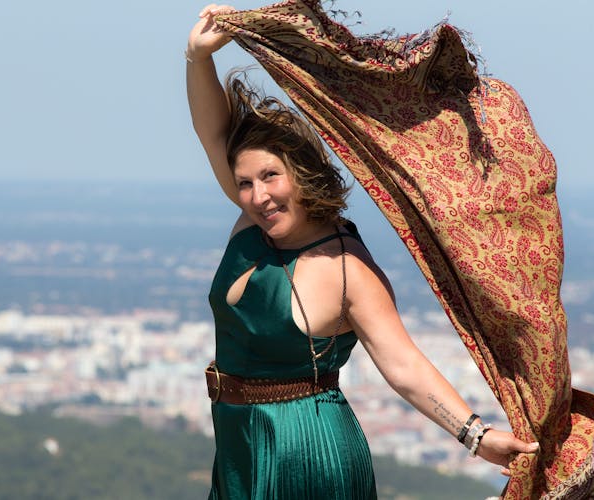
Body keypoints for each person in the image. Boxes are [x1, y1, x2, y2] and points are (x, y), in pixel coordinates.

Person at [187, 4, 541, 498]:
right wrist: (197, 58)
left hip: (306, 450)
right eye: (245, 182)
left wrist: (475, 436)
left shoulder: (347, 268)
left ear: (302, 174)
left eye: (271, 176)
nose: (257, 194)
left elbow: (402, 363)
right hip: (237, 444)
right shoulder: (252, 224)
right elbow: (214, 134)